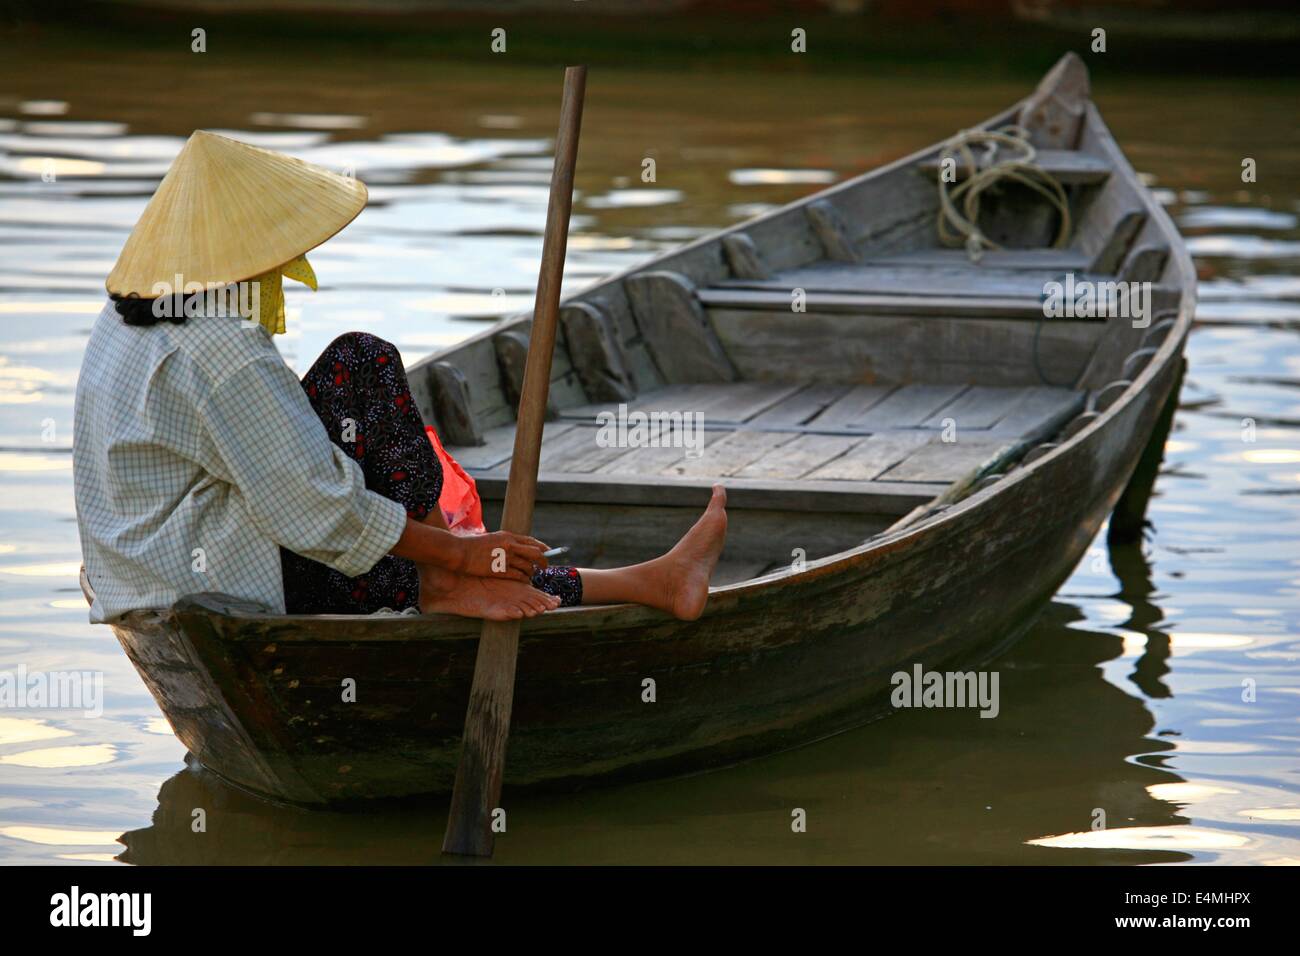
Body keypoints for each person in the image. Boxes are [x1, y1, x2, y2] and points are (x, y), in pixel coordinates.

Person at [73, 130, 726, 624]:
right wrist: (458, 554)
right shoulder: (224, 349)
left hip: (137, 573)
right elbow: (314, 513)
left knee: (359, 361)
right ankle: (631, 582)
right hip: (220, 583)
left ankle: (587, 579)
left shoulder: (127, 317)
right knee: (400, 559)